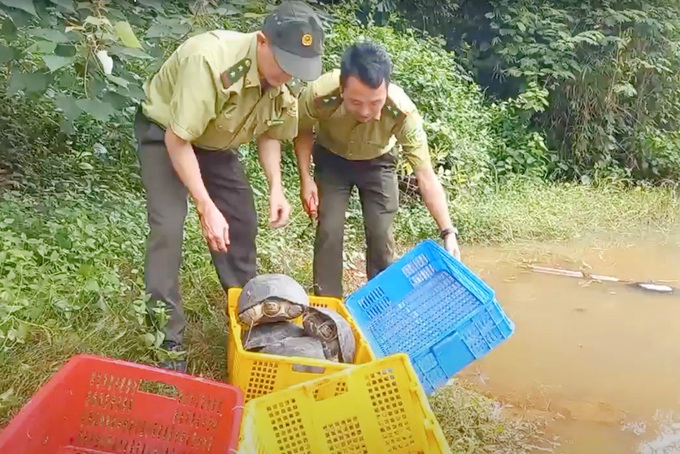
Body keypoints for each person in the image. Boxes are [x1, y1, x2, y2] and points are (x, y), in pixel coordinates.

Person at [134, 1, 325, 372]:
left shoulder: (282, 83)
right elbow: (178, 139)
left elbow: (271, 133)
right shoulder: (209, 62)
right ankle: (166, 337)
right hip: (166, 135)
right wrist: (205, 205)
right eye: (284, 64)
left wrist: (276, 187)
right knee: (168, 227)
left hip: (216, 143)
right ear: (261, 42)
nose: (288, 75)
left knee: (241, 220)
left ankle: (252, 317)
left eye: (297, 70)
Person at [293, 40, 461, 298]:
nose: (366, 111)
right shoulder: (319, 94)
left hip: (378, 163)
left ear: (386, 89)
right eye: (356, 102)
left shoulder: (402, 112)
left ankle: (379, 303)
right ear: (342, 88)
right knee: (329, 228)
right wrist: (306, 178)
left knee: (381, 231)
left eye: (375, 102)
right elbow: (302, 129)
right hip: (332, 160)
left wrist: (448, 231)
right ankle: (328, 307)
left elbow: (425, 175)